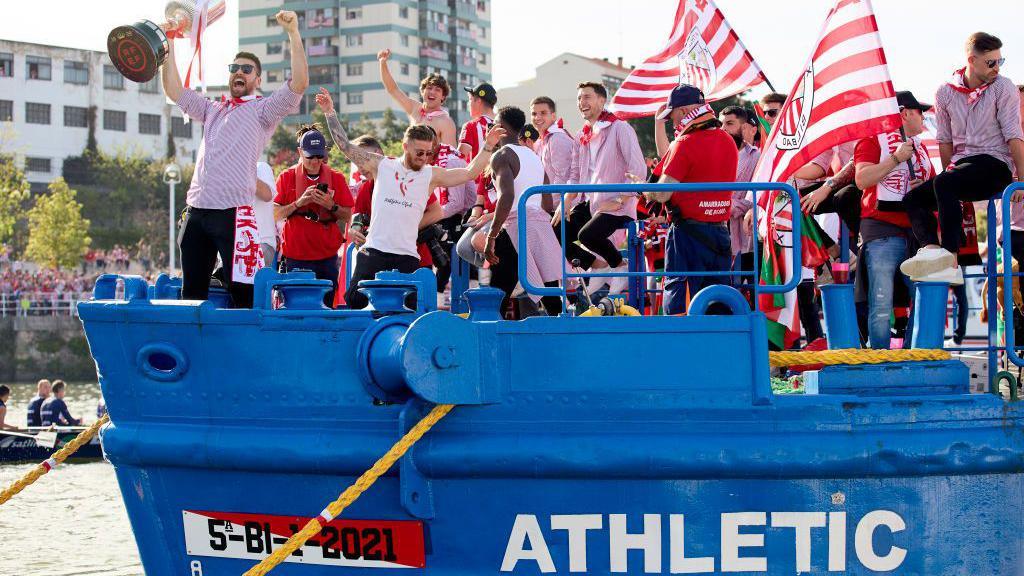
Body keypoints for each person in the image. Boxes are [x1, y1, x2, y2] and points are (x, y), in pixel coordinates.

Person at [163, 10, 307, 308]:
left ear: (258, 78)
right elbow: (174, 90)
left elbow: (299, 85)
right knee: (191, 294)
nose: (239, 72)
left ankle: (249, 349)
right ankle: (200, 351)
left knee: (244, 294)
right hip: (196, 211)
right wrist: (169, 44)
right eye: (234, 67)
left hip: (233, 214)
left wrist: (293, 33)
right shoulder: (213, 108)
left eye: (247, 68)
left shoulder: (263, 110)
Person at [314, 88, 506, 310]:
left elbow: (470, 172)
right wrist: (329, 112)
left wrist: (488, 146)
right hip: (374, 250)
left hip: (406, 256)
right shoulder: (382, 165)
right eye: (418, 152)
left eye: (428, 153)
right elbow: (345, 146)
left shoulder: (431, 174)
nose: (424, 158)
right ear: (405, 146)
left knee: (410, 312)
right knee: (355, 305)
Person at [902, 32, 1024, 284]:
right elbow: (944, 140)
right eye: (991, 62)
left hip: (996, 164)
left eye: (1001, 61)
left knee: (945, 183)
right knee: (913, 198)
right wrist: (948, 184)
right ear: (972, 60)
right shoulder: (945, 92)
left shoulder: (1003, 86)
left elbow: (1014, 135)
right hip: (963, 168)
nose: (997, 68)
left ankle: (951, 259)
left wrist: (1022, 180)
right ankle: (933, 251)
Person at [643, 84, 737, 315]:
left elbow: (662, 193)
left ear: (684, 112)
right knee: (718, 298)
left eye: (673, 116)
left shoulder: (685, 143)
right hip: (721, 233)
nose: (674, 124)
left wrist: (644, 190)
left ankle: (681, 349)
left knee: (681, 298)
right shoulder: (727, 140)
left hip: (687, 235)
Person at [854, 91, 934, 349]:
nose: (924, 117)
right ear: (905, 113)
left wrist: (924, 187)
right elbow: (862, 179)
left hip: (918, 234)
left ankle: (913, 354)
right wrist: (896, 158)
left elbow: (933, 185)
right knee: (880, 301)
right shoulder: (870, 139)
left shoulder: (921, 148)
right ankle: (880, 359)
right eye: (920, 111)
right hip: (882, 231)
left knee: (920, 299)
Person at [564, 82, 646, 295]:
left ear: (602, 100)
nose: (582, 102)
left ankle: (619, 266)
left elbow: (638, 169)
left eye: (587, 97)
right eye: (579, 98)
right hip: (593, 203)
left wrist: (621, 199)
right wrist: (565, 201)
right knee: (556, 229)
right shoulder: (581, 136)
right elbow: (574, 175)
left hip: (618, 205)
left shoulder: (620, 127)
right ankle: (601, 265)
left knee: (587, 235)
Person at [482, 106, 563, 317]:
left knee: (498, 294)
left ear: (501, 128)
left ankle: (492, 343)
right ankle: (566, 338)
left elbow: (506, 196)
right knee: (550, 293)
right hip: (539, 226)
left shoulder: (502, 155)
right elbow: (547, 202)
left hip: (514, 228)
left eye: (494, 125)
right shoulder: (534, 157)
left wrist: (491, 235)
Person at [273, 125, 353, 306]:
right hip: (296, 257)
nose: (316, 161)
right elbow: (274, 213)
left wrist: (331, 206)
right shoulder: (286, 177)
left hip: (327, 258)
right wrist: (298, 203)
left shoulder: (336, 178)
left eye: (319, 156)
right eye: (310, 156)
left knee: (325, 308)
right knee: (296, 307)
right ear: (300, 152)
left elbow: (349, 215)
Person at [378, 49, 458, 147]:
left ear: (443, 97)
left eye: (437, 90)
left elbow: (450, 156)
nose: (432, 92)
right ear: (422, 92)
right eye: (429, 88)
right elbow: (393, 89)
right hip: (407, 160)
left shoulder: (446, 122)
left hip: (430, 162)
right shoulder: (414, 108)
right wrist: (382, 62)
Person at [719, 106, 760, 266]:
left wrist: (727, 206)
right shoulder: (711, 155)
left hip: (747, 237)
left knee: (750, 284)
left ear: (743, 127)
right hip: (716, 232)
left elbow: (756, 197)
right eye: (721, 124)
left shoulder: (757, 156)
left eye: (729, 123)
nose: (723, 129)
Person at [530, 96, 577, 191]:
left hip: (561, 203)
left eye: (543, 113)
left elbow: (563, 179)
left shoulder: (557, 138)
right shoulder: (542, 140)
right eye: (534, 114)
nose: (537, 118)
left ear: (553, 116)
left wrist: (549, 204)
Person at [459, 82, 498, 160]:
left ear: (479, 101)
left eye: (470, 100)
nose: (468, 104)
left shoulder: (471, 126)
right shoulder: (503, 126)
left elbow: (459, 160)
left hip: (476, 172)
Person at [255, 161, 277, 268]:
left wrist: (243, 170)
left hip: (261, 243)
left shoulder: (261, 167)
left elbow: (266, 195)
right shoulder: (227, 172)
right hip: (233, 244)